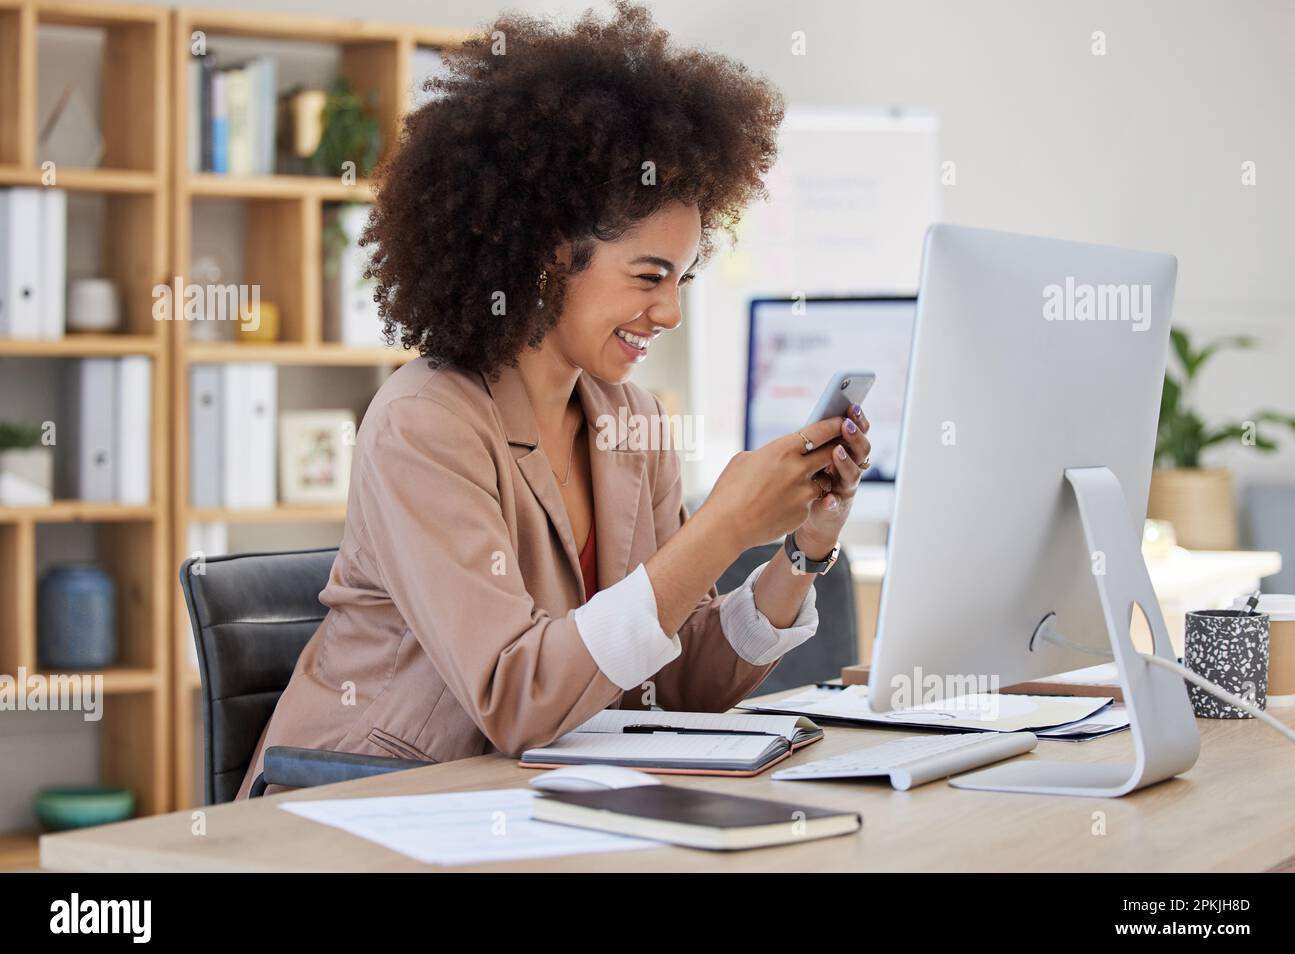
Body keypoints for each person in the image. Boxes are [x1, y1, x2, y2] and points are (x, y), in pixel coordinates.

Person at [235, 1, 871, 799]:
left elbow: (680, 683)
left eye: (683, 279)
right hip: (361, 803)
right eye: (648, 276)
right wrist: (721, 527)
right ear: (544, 255)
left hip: (521, 805)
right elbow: (517, 696)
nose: (670, 312)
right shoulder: (425, 423)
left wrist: (802, 548)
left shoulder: (631, 420)